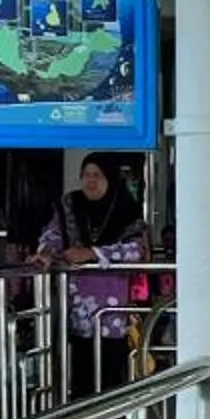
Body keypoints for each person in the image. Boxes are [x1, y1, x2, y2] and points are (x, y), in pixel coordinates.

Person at [38, 153, 147, 396]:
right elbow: (52, 235)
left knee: (111, 367)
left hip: (113, 313)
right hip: (76, 309)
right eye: (86, 175)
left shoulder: (126, 210)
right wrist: (46, 252)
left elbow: (136, 250)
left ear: (110, 178)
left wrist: (91, 253)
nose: (90, 181)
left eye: (97, 175)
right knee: (79, 367)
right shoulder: (69, 205)